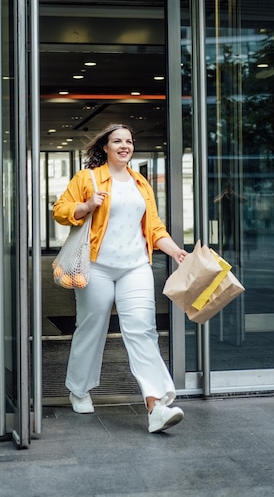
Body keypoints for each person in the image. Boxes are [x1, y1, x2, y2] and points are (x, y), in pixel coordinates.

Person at [52, 123, 188, 433]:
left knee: (143, 330)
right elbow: (60, 210)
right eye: (117, 141)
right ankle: (79, 388)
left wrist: (176, 251)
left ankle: (156, 406)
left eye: (128, 141)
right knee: (92, 326)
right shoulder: (87, 178)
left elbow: (154, 228)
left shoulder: (141, 184)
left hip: (135, 266)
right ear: (106, 147)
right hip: (96, 265)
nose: (124, 145)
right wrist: (86, 206)